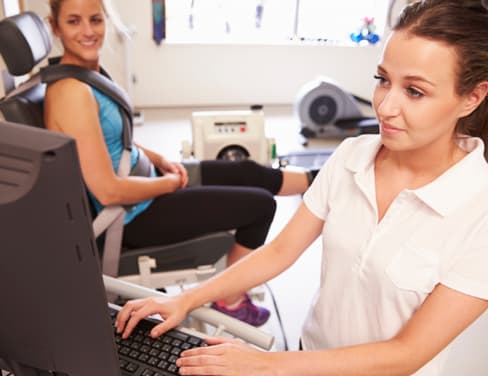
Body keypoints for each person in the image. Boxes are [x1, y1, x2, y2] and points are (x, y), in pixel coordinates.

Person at [116, 0, 488, 374]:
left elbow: (407, 353)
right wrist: (189, 300)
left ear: (472, 97)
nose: (386, 106)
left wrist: (267, 366)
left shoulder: (478, 211)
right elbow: (281, 250)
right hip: (309, 353)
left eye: (415, 92)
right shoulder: (351, 156)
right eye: (383, 80)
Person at [44, 0, 317, 328]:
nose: (88, 31)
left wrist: (159, 160)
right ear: (55, 27)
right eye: (74, 22)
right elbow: (108, 191)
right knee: (260, 207)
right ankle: (228, 301)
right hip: (129, 216)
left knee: (248, 171)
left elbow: (108, 138)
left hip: (145, 182)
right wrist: (169, 183)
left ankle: (320, 180)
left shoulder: (85, 73)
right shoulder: (71, 92)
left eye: (95, 20)